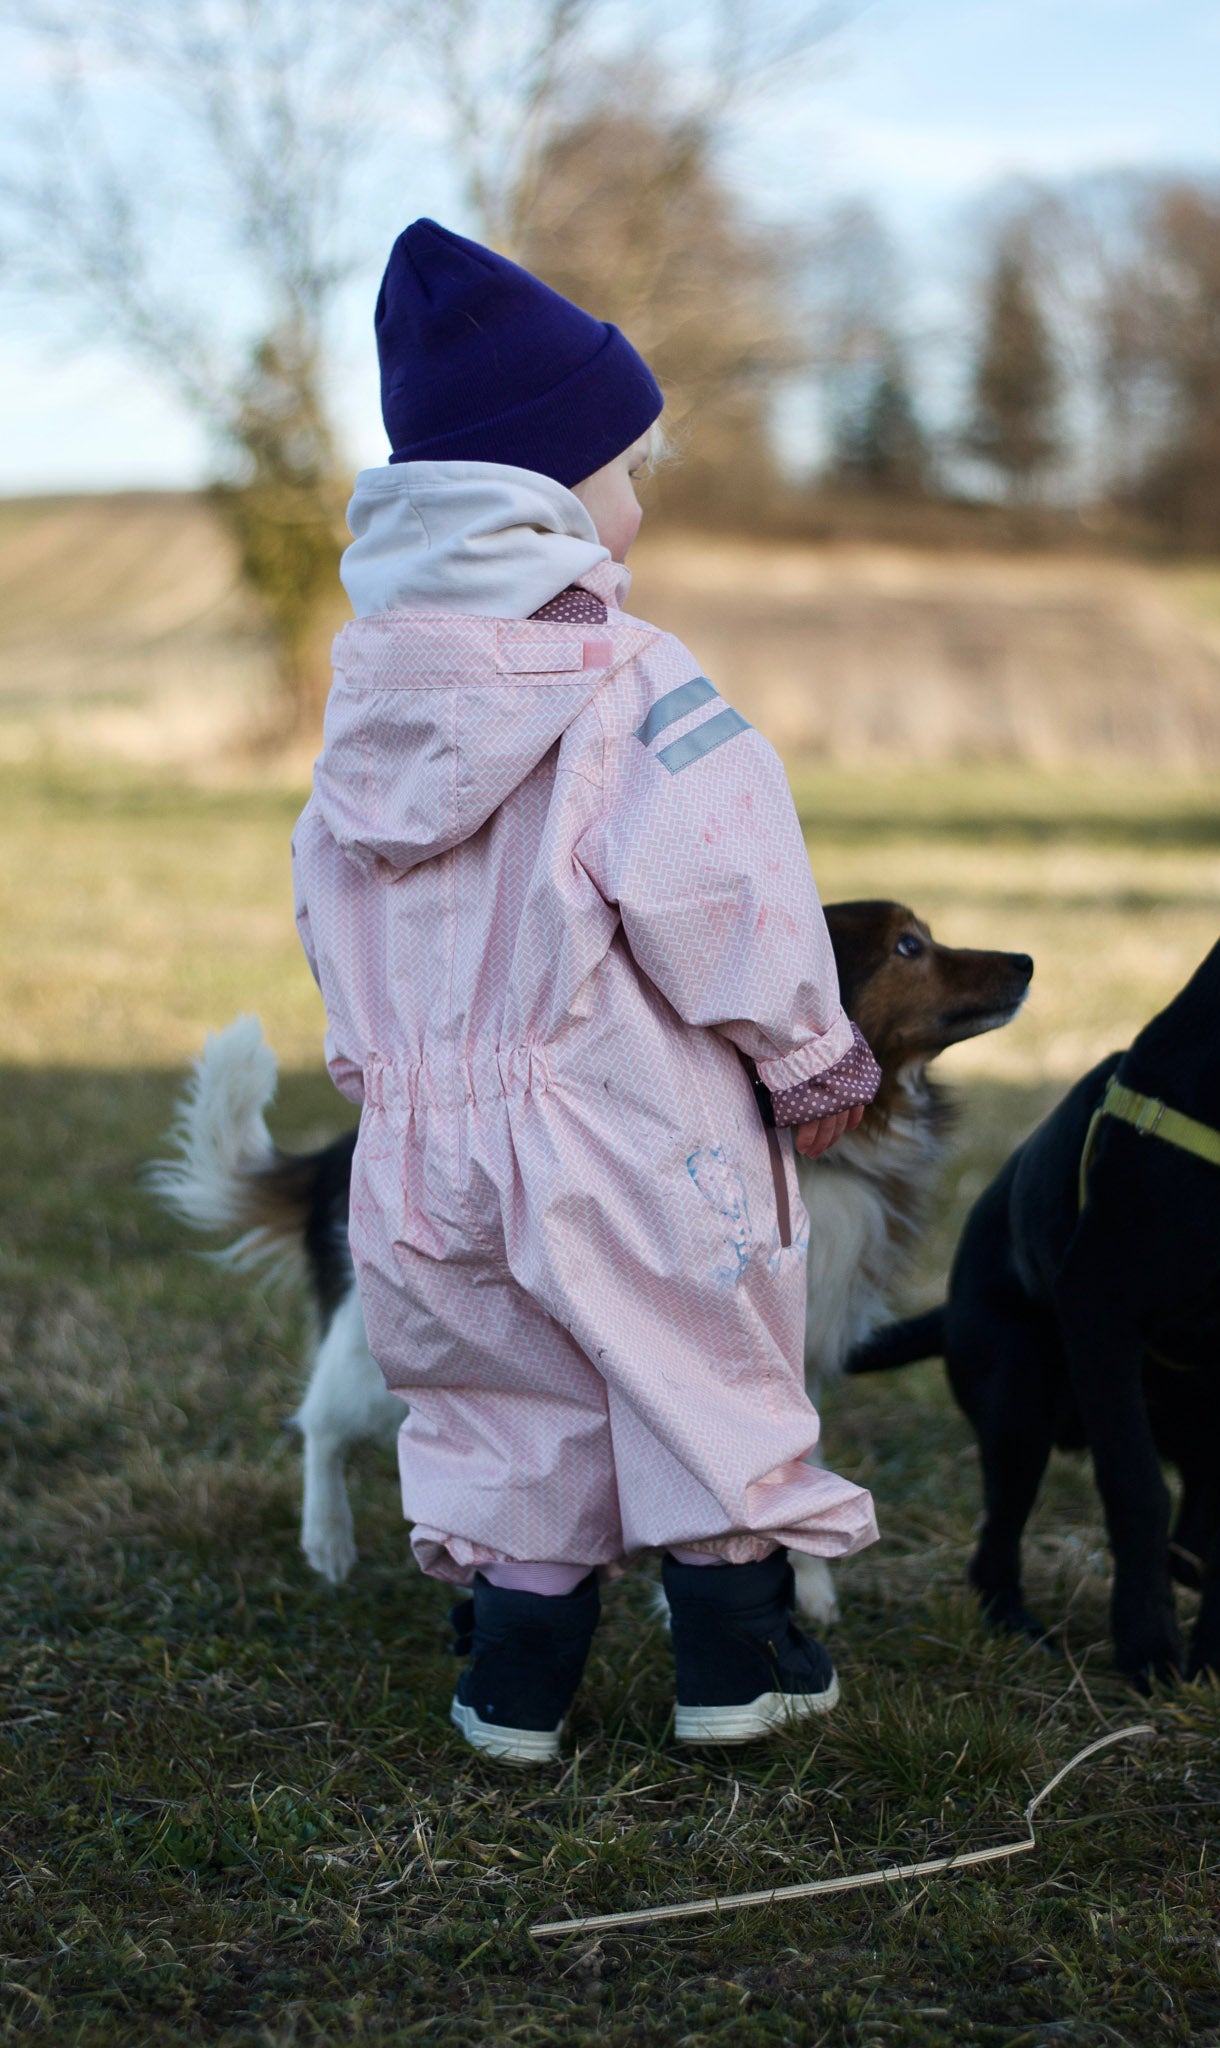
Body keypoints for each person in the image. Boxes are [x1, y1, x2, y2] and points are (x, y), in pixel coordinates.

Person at [292, 218, 882, 1765]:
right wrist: (807, 1049)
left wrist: (382, 1076)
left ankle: (515, 1689)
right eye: (626, 466)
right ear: (547, 495)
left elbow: (330, 909)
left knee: (499, 1394)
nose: (638, 500)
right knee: (696, 1360)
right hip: (618, 1122)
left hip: (426, 1144)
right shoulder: (625, 676)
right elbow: (713, 879)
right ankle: (736, 1668)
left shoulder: (370, 702)